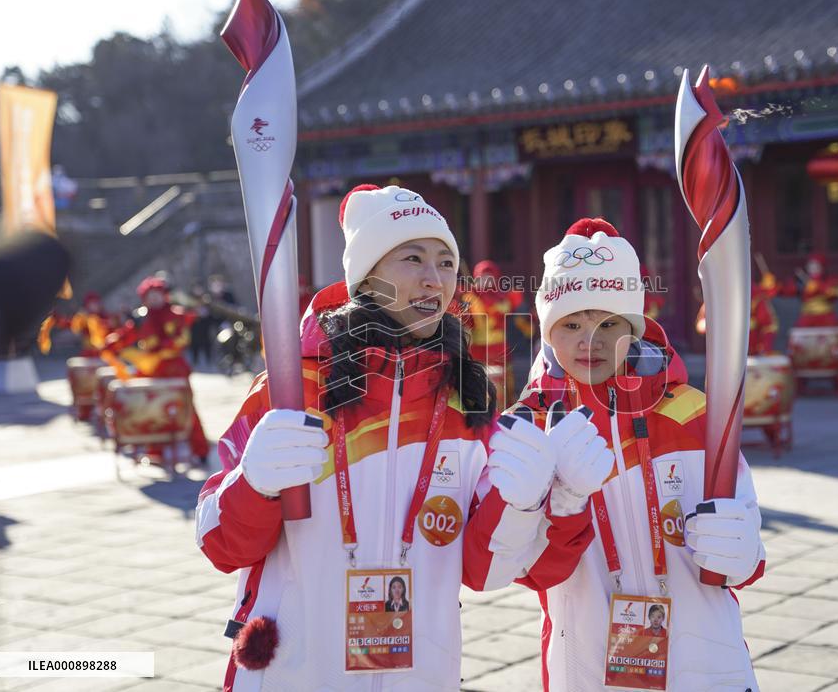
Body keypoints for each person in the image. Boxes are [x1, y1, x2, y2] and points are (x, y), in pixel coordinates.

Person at [195, 185, 614, 691]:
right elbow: (219, 542)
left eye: (444, 263)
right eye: (412, 258)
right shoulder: (294, 388)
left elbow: (486, 570)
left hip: (420, 671)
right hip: (295, 670)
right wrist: (254, 482)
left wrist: (527, 504)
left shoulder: (468, 401)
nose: (433, 278)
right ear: (366, 277)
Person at [514, 217, 765, 691]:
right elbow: (524, 569)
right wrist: (557, 509)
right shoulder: (531, 427)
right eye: (571, 324)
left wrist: (744, 549)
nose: (591, 341)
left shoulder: (692, 414)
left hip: (705, 664)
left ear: (635, 325)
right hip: (586, 664)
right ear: (548, 333)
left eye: (609, 323)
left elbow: (746, 548)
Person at [104, 276, 209, 463]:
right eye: (150, 296)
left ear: (165, 295)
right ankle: (155, 451)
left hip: (174, 369)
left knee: (185, 409)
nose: (154, 299)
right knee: (149, 409)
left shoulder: (176, 314)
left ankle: (200, 450)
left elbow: (181, 339)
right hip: (152, 371)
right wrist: (111, 341)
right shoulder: (141, 317)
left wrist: (162, 347)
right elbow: (125, 335)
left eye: (157, 294)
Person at [461, 259, 533, 408]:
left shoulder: (504, 297)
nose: (485, 281)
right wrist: (470, 304)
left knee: (505, 387)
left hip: (500, 349)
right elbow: (468, 323)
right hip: (478, 350)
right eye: (482, 277)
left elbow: (519, 315)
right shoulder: (470, 298)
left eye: (489, 276)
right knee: (481, 386)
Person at [776, 252, 838, 327]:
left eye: (816, 266)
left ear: (822, 267)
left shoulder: (829, 281)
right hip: (807, 317)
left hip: (826, 316)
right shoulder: (801, 282)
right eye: (811, 266)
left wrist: (819, 287)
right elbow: (787, 291)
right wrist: (774, 286)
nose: (813, 268)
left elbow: (836, 294)